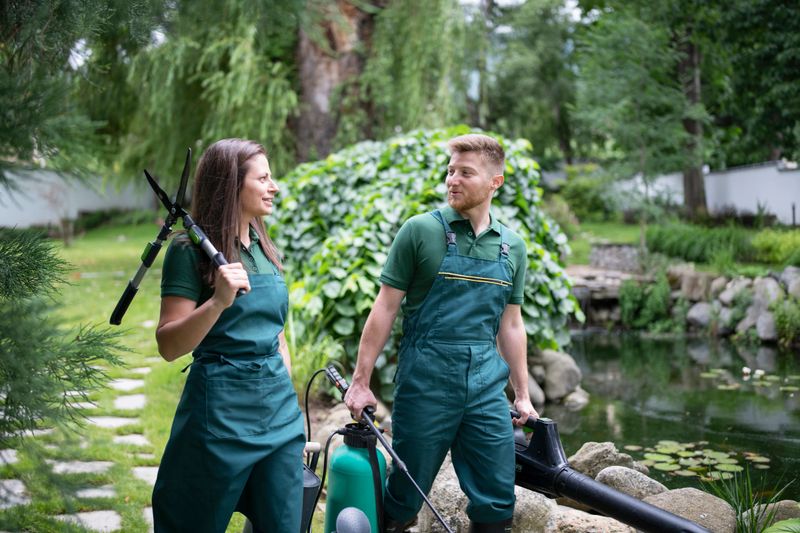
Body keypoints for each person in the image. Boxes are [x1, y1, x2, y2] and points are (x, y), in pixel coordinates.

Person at [345, 133, 538, 533]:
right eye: (451, 171)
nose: (453, 179)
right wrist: (360, 382)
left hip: (486, 386)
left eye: (466, 173)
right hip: (426, 382)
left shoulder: (512, 248)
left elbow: (511, 324)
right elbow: (384, 308)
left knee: (498, 498)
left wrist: (521, 394)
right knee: (404, 491)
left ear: (494, 183)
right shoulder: (420, 232)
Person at [151, 138, 305, 532]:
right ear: (232, 184)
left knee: (284, 522)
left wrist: (285, 395)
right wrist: (217, 301)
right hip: (218, 412)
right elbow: (169, 345)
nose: (274, 186)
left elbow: (278, 333)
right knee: (194, 521)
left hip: (277, 412)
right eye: (264, 178)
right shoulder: (189, 251)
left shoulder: (265, 247)